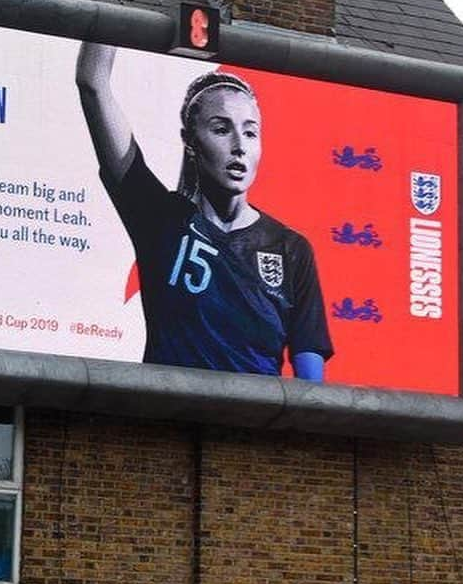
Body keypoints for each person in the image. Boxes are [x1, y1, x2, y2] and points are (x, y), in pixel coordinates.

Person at [75, 42, 332, 380]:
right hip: (168, 420)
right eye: (221, 129)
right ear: (190, 140)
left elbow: (310, 383)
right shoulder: (160, 219)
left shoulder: (291, 249)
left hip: (251, 426)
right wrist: (114, 11)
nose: (239, 146)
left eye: (250, 132)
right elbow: (92, 82)